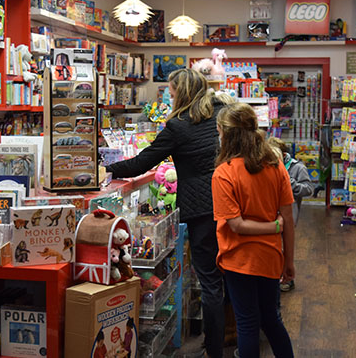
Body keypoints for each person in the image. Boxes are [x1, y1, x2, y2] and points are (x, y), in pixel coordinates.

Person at [105, 68, 232, 358]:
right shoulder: (223, 112)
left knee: (210, 280)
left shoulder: (179, 125)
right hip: (232, 201)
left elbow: (141, 163)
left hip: (203, 210)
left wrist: (106, 168)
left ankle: (214, 350)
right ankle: (233, 335)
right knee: (229, 276)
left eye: (171, 92)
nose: (168, 96)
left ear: (181, 93)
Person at [212, 102, 295, 358]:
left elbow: (235, 224)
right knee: (271, 319)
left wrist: (272, 226)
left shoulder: (223, 174)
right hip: (270, 255)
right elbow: (288, 219)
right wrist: (288, 260)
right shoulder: (275, 166)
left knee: (247, 323)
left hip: (239, 259)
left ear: (224, 133)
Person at [267, 137, 313, 292]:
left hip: (289, 212)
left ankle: (287, 278)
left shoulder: (297, 167)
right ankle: (276, 275)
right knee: (275, 246)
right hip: (271, 213)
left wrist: (290, 183)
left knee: (287, 246)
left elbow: (308, 189)